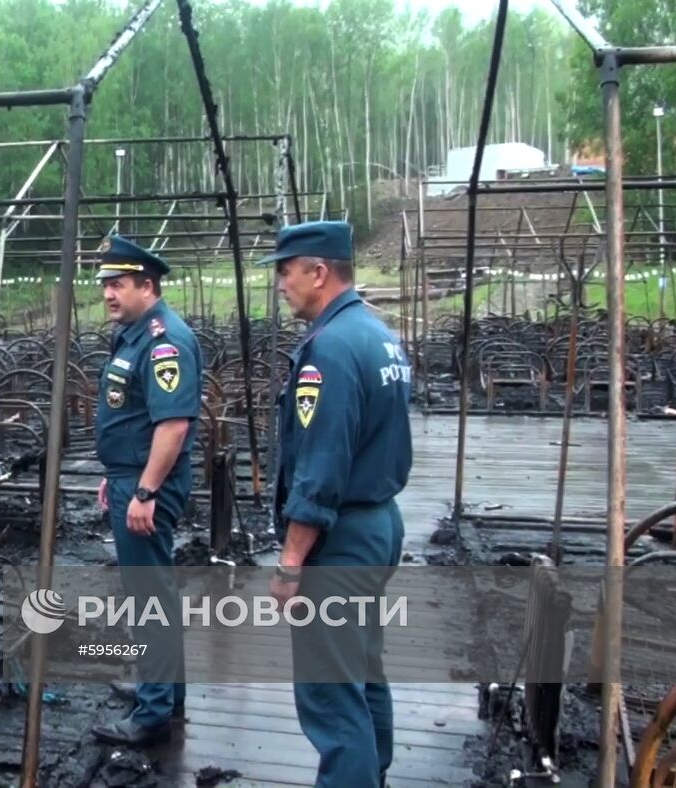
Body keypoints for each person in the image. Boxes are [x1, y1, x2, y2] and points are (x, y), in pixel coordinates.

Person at [258, 220, 412, 788]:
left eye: (286, 271)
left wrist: (291, 562)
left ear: (318, 272)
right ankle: (374, 773)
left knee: (330, 692)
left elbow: (320, 467)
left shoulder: (330, 348)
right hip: (379, 526)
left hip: (339, 540)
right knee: (363, 670)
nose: (281, 284)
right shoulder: (379, 335)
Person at [88, 233, 202, 747]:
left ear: (147, 286)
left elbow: (173, 425)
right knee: (156, 590)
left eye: (118, 284)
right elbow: (133, 416)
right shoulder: (135, 334)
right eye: (105, 285)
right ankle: (166, 692)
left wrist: (146, 491)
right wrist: (117, 476)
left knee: (148, 596)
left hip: (148, 485)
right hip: (131, 476)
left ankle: (152, 711)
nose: (109, 294)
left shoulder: (163, 341)